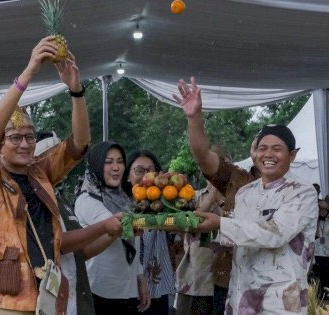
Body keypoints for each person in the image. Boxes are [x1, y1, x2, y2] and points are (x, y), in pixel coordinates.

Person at [0, 37, 122, 315]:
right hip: (7, 298)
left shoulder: (40, 172)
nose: (25, 144)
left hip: (48, 293)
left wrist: (76, 91)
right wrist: (29, 71)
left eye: (29, 137)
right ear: (1, 145)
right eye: (15, 138)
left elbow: (79, 144)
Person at [173, 76, 318, 314]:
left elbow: (275, 234)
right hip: (240, 298)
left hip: (279, 303)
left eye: (276, 149)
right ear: (254, 153)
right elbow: (233, 237)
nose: (268, 154)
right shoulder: (245, 192)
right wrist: (184, 223)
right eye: (262, 148)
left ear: (292, 156)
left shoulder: (302, 193)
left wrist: (219, 222)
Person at [75, 142, 151, 314]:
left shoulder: (123, 198)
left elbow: (133, 240)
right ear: (96, 165)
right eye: (108, 162)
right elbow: (118, 225)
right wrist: (165, 218)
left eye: (120, 161)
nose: (116, 168)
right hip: (101, 290)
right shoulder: (87, 199)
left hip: (127, 289)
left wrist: (139, 276)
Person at [122, 150, 175, 315]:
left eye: (151, 171)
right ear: (128, 176)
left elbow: (177, 225)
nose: (146, 176)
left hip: (159, 289)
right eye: (139, 171)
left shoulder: (165, 205)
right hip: (129, 292)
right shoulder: (121, 208)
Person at [175, 181, 220, 315]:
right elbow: (185, 223)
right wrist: (211, 198)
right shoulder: (193, 195)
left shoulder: (240, 195)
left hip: (227, 280)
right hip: (195, 280)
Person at [312, 198, 329, 299]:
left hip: (327, 253)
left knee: (328, 275)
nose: (323, 211)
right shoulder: (312, 222)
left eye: (326, 209)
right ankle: (316, 297)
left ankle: (328, 296)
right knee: (316, 277)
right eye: (321, 208)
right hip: (315, 253)